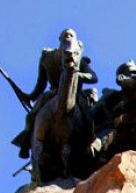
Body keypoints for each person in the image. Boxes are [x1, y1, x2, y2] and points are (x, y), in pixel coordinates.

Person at [10, 28, 98, 159]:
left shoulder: (79, 58)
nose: (68, 37)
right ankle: (26, 142)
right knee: (32, 115)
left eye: (71, 35)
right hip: (53, 93)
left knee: (88, 115)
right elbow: (41, 84)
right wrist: (29, 96)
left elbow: (94, 77)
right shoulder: (48, 58)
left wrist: (78, 75)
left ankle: (91, 142)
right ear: (60, 40)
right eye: (65, 35)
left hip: (75, 94)